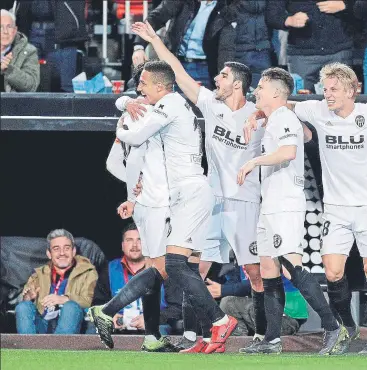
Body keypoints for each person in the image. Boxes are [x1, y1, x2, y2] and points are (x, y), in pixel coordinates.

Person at [244, 62, 367, 355]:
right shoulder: (316, 110)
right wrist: (258, 112)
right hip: (335, 209)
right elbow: (282, 105)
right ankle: (346, 328)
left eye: (334, 89)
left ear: (352, 91)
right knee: (333, 271)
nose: (328, 94)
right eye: (325, 89)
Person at [129, 21, 267, 353]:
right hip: (212, 201)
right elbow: (176, 72)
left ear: (236, 83)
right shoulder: (210, 104)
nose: (215, 79)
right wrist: (153, 40)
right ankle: (199, 337)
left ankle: (264, 336)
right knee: (193, 268)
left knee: (254, 271)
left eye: (221, 76)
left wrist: (261, 113)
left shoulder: (257, 113)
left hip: (246, 201)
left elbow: (290, 113)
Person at [98, 60, 238, 355]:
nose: (140, 88)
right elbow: (131, 102)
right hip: (188, 193)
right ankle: (207, 336)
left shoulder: (170, 104)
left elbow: (134, 135)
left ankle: (220, 320)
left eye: (144, 84)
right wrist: (125, 102)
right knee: (187, 268)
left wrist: (119, 129)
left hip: (188, 192)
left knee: (172, 264)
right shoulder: (168, 104)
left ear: (160, 87)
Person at [236, 67, 349, 355]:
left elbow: (289, 152)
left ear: (275, 92)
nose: (256, 91)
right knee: (269, 270)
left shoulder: (284, 117)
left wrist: (253, 162)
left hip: (285, 203)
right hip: (270, 202)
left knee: (290, 266)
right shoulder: (275, 117)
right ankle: (272, 339)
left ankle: (333, 325)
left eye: (261, 86)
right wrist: (256, 116)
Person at [90, 224, 169, 336]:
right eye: (129, 240)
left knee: (160, 330)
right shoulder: (109, 269)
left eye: (139, 240)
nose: (135, 245)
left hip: (154, 325)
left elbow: (176, 309)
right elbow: (97, 302)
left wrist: (154, 318)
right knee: (95, 328)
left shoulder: (163, 269)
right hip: (118, 326)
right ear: (122, 245)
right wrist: (109, 316)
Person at [15, 229, 98, 334]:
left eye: (67, 248)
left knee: (70, 307)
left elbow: (88, 301)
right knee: (23, 307)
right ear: (49, 254)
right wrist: (27, 299)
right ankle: (29, 349)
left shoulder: (88, 272)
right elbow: (22, 306)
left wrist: (64, 299)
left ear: (73, 251)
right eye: (56, 249)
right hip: (44, 323)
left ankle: (60, 349)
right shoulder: (38, 275)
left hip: (72, 323)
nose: (62, 253)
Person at [265, 0, 355, 93]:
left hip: (339, 52)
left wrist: (345, 5)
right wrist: (288, 20)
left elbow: (364, 6)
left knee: (341, 102)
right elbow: (272, 15)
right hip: (302, 56)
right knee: (301, 104)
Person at [131, 0, 225, 89]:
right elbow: (156, 17)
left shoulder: (227, 6)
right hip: (173, 64)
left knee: (200, 104)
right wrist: (139, 47)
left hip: (205, 68)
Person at [0, 9, 39, 92]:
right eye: (0, 27)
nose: (5, 32)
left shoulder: (29, 51)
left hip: (11, 104)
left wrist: (8, 70)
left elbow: (31, 85)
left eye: (9, 27)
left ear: (15, 31)